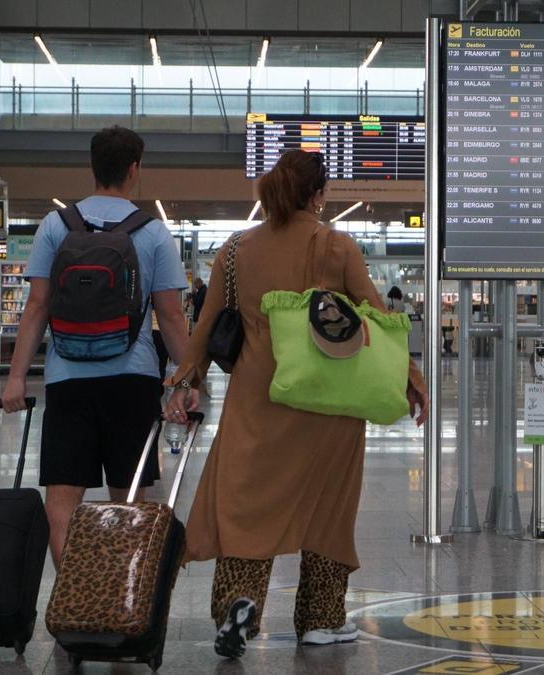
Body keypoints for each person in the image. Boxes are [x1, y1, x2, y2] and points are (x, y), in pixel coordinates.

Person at [163, 150, 428, 658]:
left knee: (246, 502)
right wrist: (412, 380)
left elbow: (204, 326)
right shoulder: (336, 246)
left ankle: (239, 602)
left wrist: (181, 382)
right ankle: (321, 620)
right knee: (328, 505)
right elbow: (377, 318)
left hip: (259, 395)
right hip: (330, 396)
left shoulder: (236, 251)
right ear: (318, 194)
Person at [1, 126, 190, 569]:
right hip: (133, 379)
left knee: (61, 500)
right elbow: (173, 316)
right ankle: (118, 600)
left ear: (93, 166)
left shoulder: (56, 225)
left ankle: (73, 600)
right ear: (134, 169)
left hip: (68, 380)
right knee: (127, 498)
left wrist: (15, 378)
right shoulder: (153, 232)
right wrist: (186, 378)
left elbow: (37, 307)